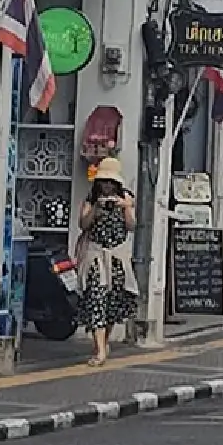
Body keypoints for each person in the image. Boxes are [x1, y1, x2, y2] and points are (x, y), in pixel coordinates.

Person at [78, 157, 137, 367]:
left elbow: (131, 226)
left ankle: (103, 342)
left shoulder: (126, 197)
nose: (107, 187)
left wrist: (126, 207)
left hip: (117, 258)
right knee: (96, 298)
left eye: (111, 182)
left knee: (113, 303)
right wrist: (96, 209)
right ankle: (100, 351)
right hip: (96, 257)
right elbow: (83, 224)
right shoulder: (91, 198)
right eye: (103, 182)